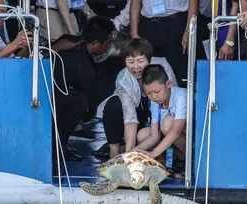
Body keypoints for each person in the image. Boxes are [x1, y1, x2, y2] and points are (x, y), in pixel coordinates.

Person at [98, 38, 178, 159]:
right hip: (141, 119)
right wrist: (129, 154)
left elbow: (174, 97)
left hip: (164, 116)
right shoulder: (123, 79)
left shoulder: (162, 67)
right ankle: (115, 152)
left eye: (140, 61)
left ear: (149, 59)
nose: (136, 67)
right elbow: (130, 118)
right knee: (113, 105)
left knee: (161, 128)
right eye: (130, 62)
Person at [51, 16, 116, 161]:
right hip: (48, 98)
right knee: (81, 101)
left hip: (54, 93)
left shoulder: (69, 41)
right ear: (96, 43)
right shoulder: (80, 60)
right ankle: (58, 147)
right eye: (108, 43)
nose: (108, 47)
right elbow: (91, 94)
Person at [134, 64, 187, 161]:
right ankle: (168, 159)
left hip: (191, 141)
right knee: (142, 135)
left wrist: (153, 153)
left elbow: (176, 131)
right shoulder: (155, 102)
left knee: (167, 124)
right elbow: (154, 136)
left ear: (168, 84)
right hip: (170, 138)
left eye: (157, 91)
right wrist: (132, 152)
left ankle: (189, 158)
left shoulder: (181, 97)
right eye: (149, 93)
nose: (153, 97)